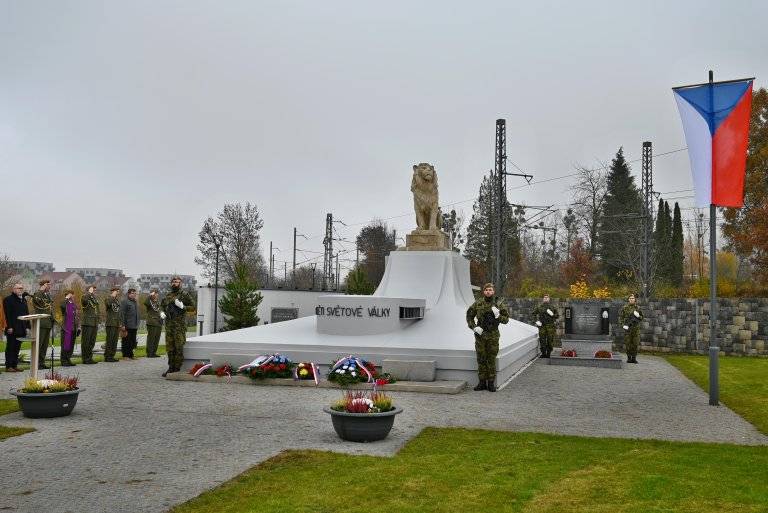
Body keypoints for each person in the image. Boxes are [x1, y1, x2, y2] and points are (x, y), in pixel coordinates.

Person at [465, 282, 509, 392]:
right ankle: (481, 382)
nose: (488, 291)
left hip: (493, 335)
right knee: (481, 359)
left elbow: (506, 320)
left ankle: (491, 383)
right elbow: (469, 316)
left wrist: (498, 316)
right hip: (480, 335)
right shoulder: (478, 303)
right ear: (483, 291)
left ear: (493, 291)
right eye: (486, 290)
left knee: (491, 359)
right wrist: (474, 327)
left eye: (490, 290)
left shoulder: (498, 304)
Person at [160, 276, 195, 377]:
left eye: (177, 282)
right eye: (174, 282)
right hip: (169, 325)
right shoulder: (168, 295)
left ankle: (177, 368)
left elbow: (193, 306)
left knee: (178, 347)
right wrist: (161, 312)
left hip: (179, 326)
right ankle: (171, 367)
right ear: (171, 283)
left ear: (181, 284)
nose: (175, 283)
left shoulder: (184, 294)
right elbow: (162, 305)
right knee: (170, 348)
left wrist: (183, 306)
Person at [3, 283, 30, 372]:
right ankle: (8, 366)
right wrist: (9, 327)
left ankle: (14, 365)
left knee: (17, 347)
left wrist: (27, 326)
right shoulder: (8, 300)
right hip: (12, 328)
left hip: (21, 328)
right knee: (10, 347)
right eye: (19, 288)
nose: (21, 290)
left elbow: (26, 313)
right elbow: (7, 314)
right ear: (14, 289)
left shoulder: (23, 300)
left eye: (22, 288)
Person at [31, 279, 55, 369]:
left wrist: (52, 318)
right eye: (47, 285)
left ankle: (41, 362)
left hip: (48, 322)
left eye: (49, 285)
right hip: (41, 322)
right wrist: (41, 289)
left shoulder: (47, 295)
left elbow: (50, 308)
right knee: (39, 344)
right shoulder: (37, 294)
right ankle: (36, 363)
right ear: (43, 285)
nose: (49, 286)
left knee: (44, 345)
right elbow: (37, 301)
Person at [532, 293, 559, 358]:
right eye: (545, 297)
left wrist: (552, 315)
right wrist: (536, 321)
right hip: (542, 326)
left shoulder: (552, 307)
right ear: (543, 299)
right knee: (542, 340)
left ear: (549, 299)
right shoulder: (539, 307)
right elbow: (533, 314)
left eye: (547, 297)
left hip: (550, 326)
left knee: (550, 340)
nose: (546, 298)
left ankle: (548, 353)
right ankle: (543, 353)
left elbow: (557, 316)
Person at [619, 293, 643, 364]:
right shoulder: (624, 308)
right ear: (628, 299)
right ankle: (629, 358)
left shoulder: (638, 308)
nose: (631, 299)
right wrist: (623, 325)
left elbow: (642, 318)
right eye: (630, 298)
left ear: (635, 299)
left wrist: (638, 316)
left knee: (635, 344)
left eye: (633, 298)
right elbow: (621, 318)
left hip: (636, 329)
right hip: (628, 329)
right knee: (628, 343)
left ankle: (634, 358)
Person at [80, 285, 100, 364]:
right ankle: (85, 359)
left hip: (94, 322)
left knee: (92, 341)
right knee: (86, 341)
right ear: (89, 290)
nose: (94, 291)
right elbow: (84, 302)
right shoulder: (85, 296)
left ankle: (89, 357)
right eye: (93, 290)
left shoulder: (94, 299)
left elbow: (97, 310)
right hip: (87, 322)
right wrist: (89, 293)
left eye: (95, 290)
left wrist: (98, 319)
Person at [60, 290, 80, 366]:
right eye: (72, 294)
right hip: (67, 327)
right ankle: (64, 360)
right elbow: (62, 306)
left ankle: (68, 359)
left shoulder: (73, 304)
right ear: (68, 295)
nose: (73, 296)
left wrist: (78, 327)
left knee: (71, 345)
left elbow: (76, 316)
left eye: (73, 294)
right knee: (65, 345)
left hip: (73, 327)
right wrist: (66, 298)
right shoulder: (65, 303)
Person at [120, 288, 140, 360]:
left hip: (134, 325)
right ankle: (125, 355)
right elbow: (122, 314)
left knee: (132, 341)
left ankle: (131, 355)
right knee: (126, 341)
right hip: (127, 325)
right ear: (128, 294)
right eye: (132, 293)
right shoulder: (125, 301)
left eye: (135, 293)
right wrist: (122, 325)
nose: (134, 295)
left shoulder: (135, 302)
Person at [144, 288, 164, 358]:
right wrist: (150, 296)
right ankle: (149, 353)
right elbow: (145, 302)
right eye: (154, 293)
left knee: (156, 338)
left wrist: (162, 314)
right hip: (152, 322)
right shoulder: (149, 302)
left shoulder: (157, 302)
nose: (156, 294)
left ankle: (154, 352)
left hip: (158, 322)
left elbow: (160, 310)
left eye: (157, 293)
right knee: (151, 338)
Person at [104, 287, 121, 362]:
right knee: (110, 340)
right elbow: (108, 304)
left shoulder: (117, 301)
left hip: (116, 323)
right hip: (110, 323)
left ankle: (112, 355)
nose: (117, 293)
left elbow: (118, 312)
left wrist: (120, 323)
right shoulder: (108, 299)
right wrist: (112, 296)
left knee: (115, 341)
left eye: (118, 291)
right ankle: (107, 356)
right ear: (112, 292)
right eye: (116, 291)